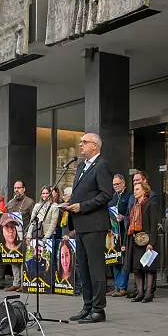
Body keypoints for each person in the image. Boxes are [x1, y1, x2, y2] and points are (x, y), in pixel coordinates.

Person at [62, 132, 114, 324]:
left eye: (84, 142)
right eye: (81, 142)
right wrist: (71, 202)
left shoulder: (102, 165)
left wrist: (82, 206)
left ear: (95, 146)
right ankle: (87, 305)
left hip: (94, 224)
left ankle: (99, 309)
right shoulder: (82, 166)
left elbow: (105, 194)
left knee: (95, 268)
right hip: (81, 224)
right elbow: (82, 192)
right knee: (82, 267)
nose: (80, 145)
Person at [124, 182, 161, 303]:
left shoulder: (151, 204)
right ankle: (140, 292)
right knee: (137, 268)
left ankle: (149, 292)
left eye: (137, 189)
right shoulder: (134, 206)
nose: (135, 192)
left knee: (148, 268)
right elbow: (130, 224)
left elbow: (154, 225)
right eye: (134, 189)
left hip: (147, 239)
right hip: (136, 240)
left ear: (144, 191)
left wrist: (152, 243)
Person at [107, 175, 131, 297]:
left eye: (117, 184)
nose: (115, 186)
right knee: (114, 258)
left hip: (124, 232)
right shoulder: (113, 197)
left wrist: (123, 217)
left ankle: (123, 287)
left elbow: (131, 212)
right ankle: (116, 286)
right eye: (114, 185)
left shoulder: (128, 196)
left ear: (123, 183)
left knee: (123, 260)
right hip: (113, 233)